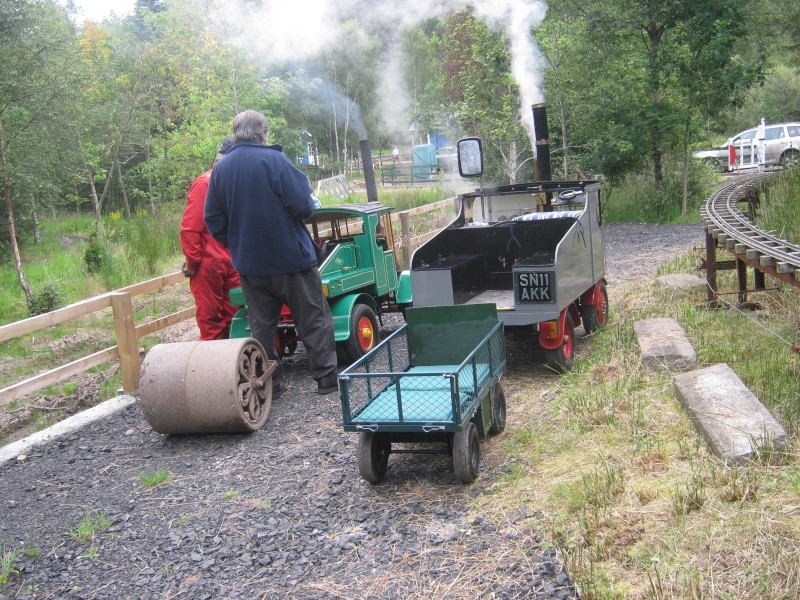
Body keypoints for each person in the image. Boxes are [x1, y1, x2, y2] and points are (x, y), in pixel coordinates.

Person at [204, 110, 338, 395]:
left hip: (251, 266)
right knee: (313, 318)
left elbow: (213, 219)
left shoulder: (221, 169)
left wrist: (238, 242)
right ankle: (326, 378)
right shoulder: (275, 160)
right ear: (262, 132)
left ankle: (269, 384)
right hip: (292, 261)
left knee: (261, 328)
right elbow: (304, 204)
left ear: (236, 131)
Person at [180, 136, 241, 341]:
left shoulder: (208, 182)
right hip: (219, 260)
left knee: (229, 318)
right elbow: (191, 228)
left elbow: (190, 228)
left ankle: (228, 366)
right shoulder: (216, 182)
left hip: (221, 260)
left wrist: (192, 263)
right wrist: (195, 262)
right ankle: (221, 368)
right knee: (222, 318)